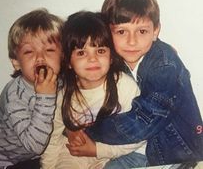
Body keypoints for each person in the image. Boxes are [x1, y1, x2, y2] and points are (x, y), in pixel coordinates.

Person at [85, 0, 203, 167]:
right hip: (138, 148)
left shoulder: (164, 66)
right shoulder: (113, 58)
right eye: (121, 31)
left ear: (155, 31)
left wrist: (90, 131)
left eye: (142, 31)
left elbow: (144, 121)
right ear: (108, 33)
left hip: (174, 151)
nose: (132, 41)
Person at [40, 11, 147, 169]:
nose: (92, 59)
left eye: (101, 51)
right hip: (74, 153)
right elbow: (52, 136)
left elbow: (139, 137)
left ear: (111, 57)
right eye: (82, 53)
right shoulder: (62, 92)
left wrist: (97, 150)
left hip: (116, 153)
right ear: (68, 61)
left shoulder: (124, 87)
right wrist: (47, 167)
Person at [0, 8, 63, 169]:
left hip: (21, 158)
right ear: (16, 62)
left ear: (63, 56)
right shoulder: (15, 94)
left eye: (49, 50)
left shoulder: (62, 82)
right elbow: (35, 145)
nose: (40, 57)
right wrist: (46, 96)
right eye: (29, 52)